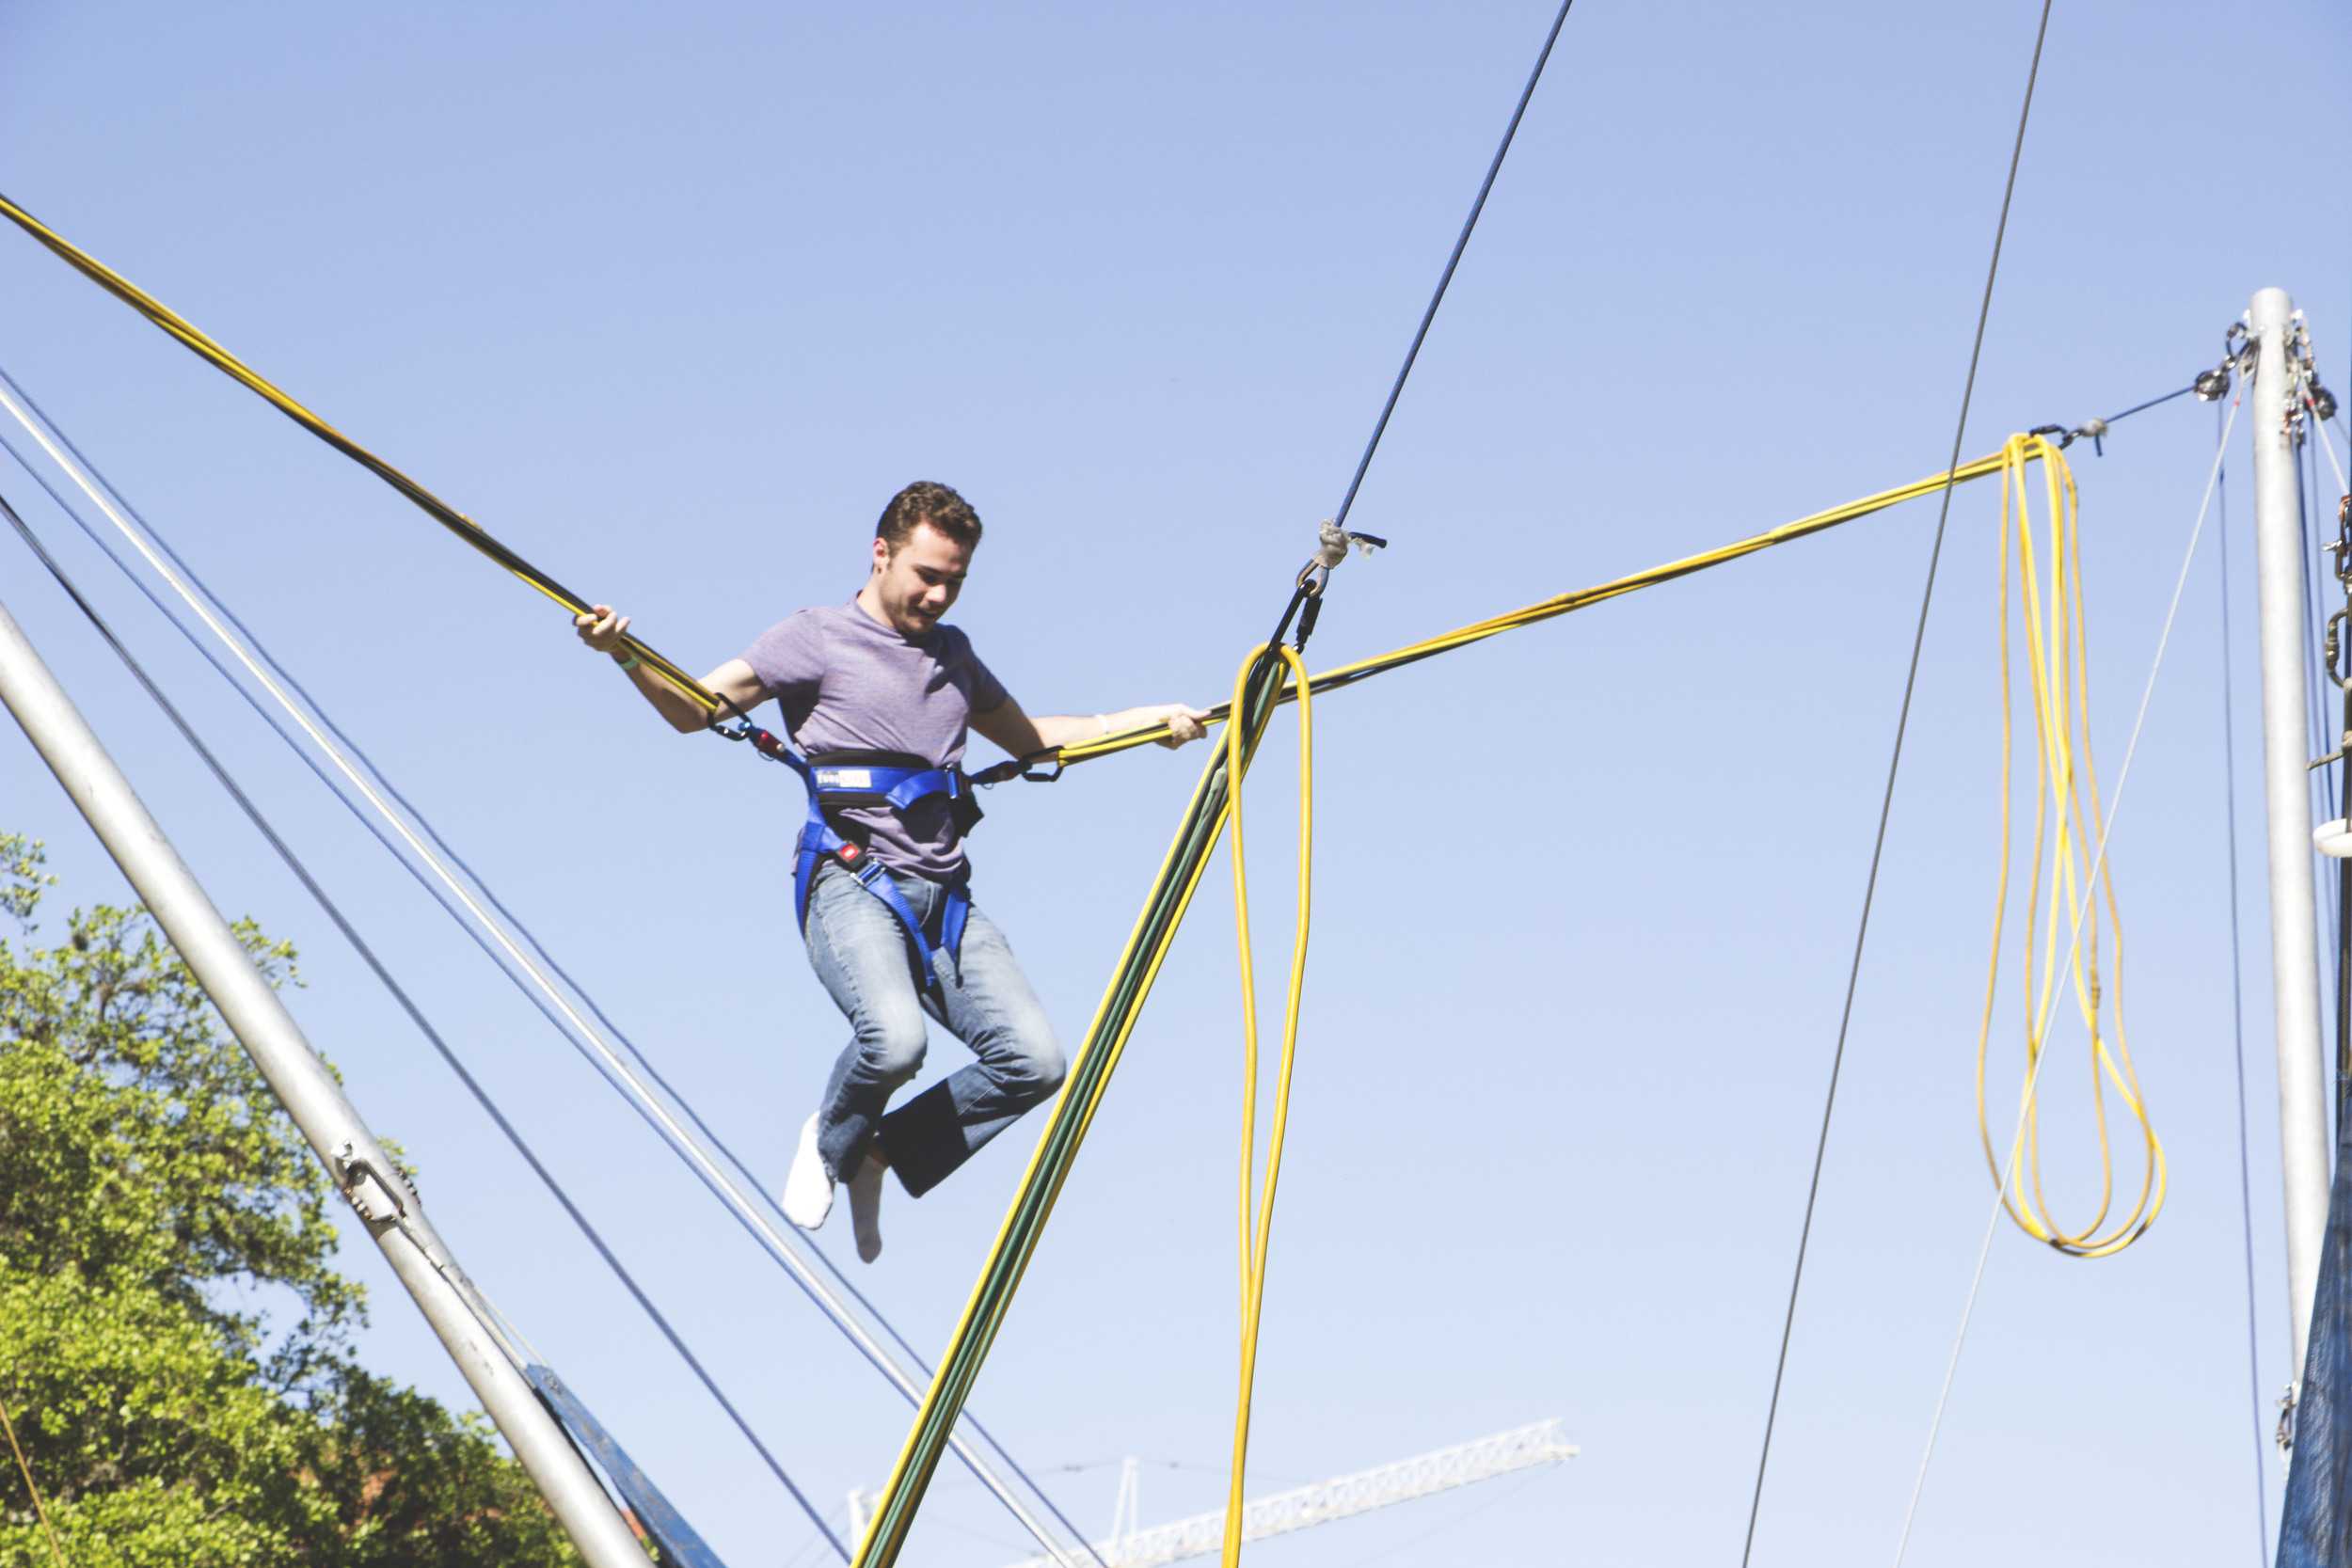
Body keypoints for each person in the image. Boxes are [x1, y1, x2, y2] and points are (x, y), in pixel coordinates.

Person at [574, 481, 1204, 1261]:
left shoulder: (954, 657)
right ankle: (832, 1138)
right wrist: (623, 654)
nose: (938, 595)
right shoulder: (816, 637)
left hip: (943, 897)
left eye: (955, 581)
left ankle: (883, 1151)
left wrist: (1150, 723)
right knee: (896, 1041)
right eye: (926, 575)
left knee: (1036, 1061)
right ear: (881, 554)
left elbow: (1036, 740)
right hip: (851, 879)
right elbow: (694, 706)